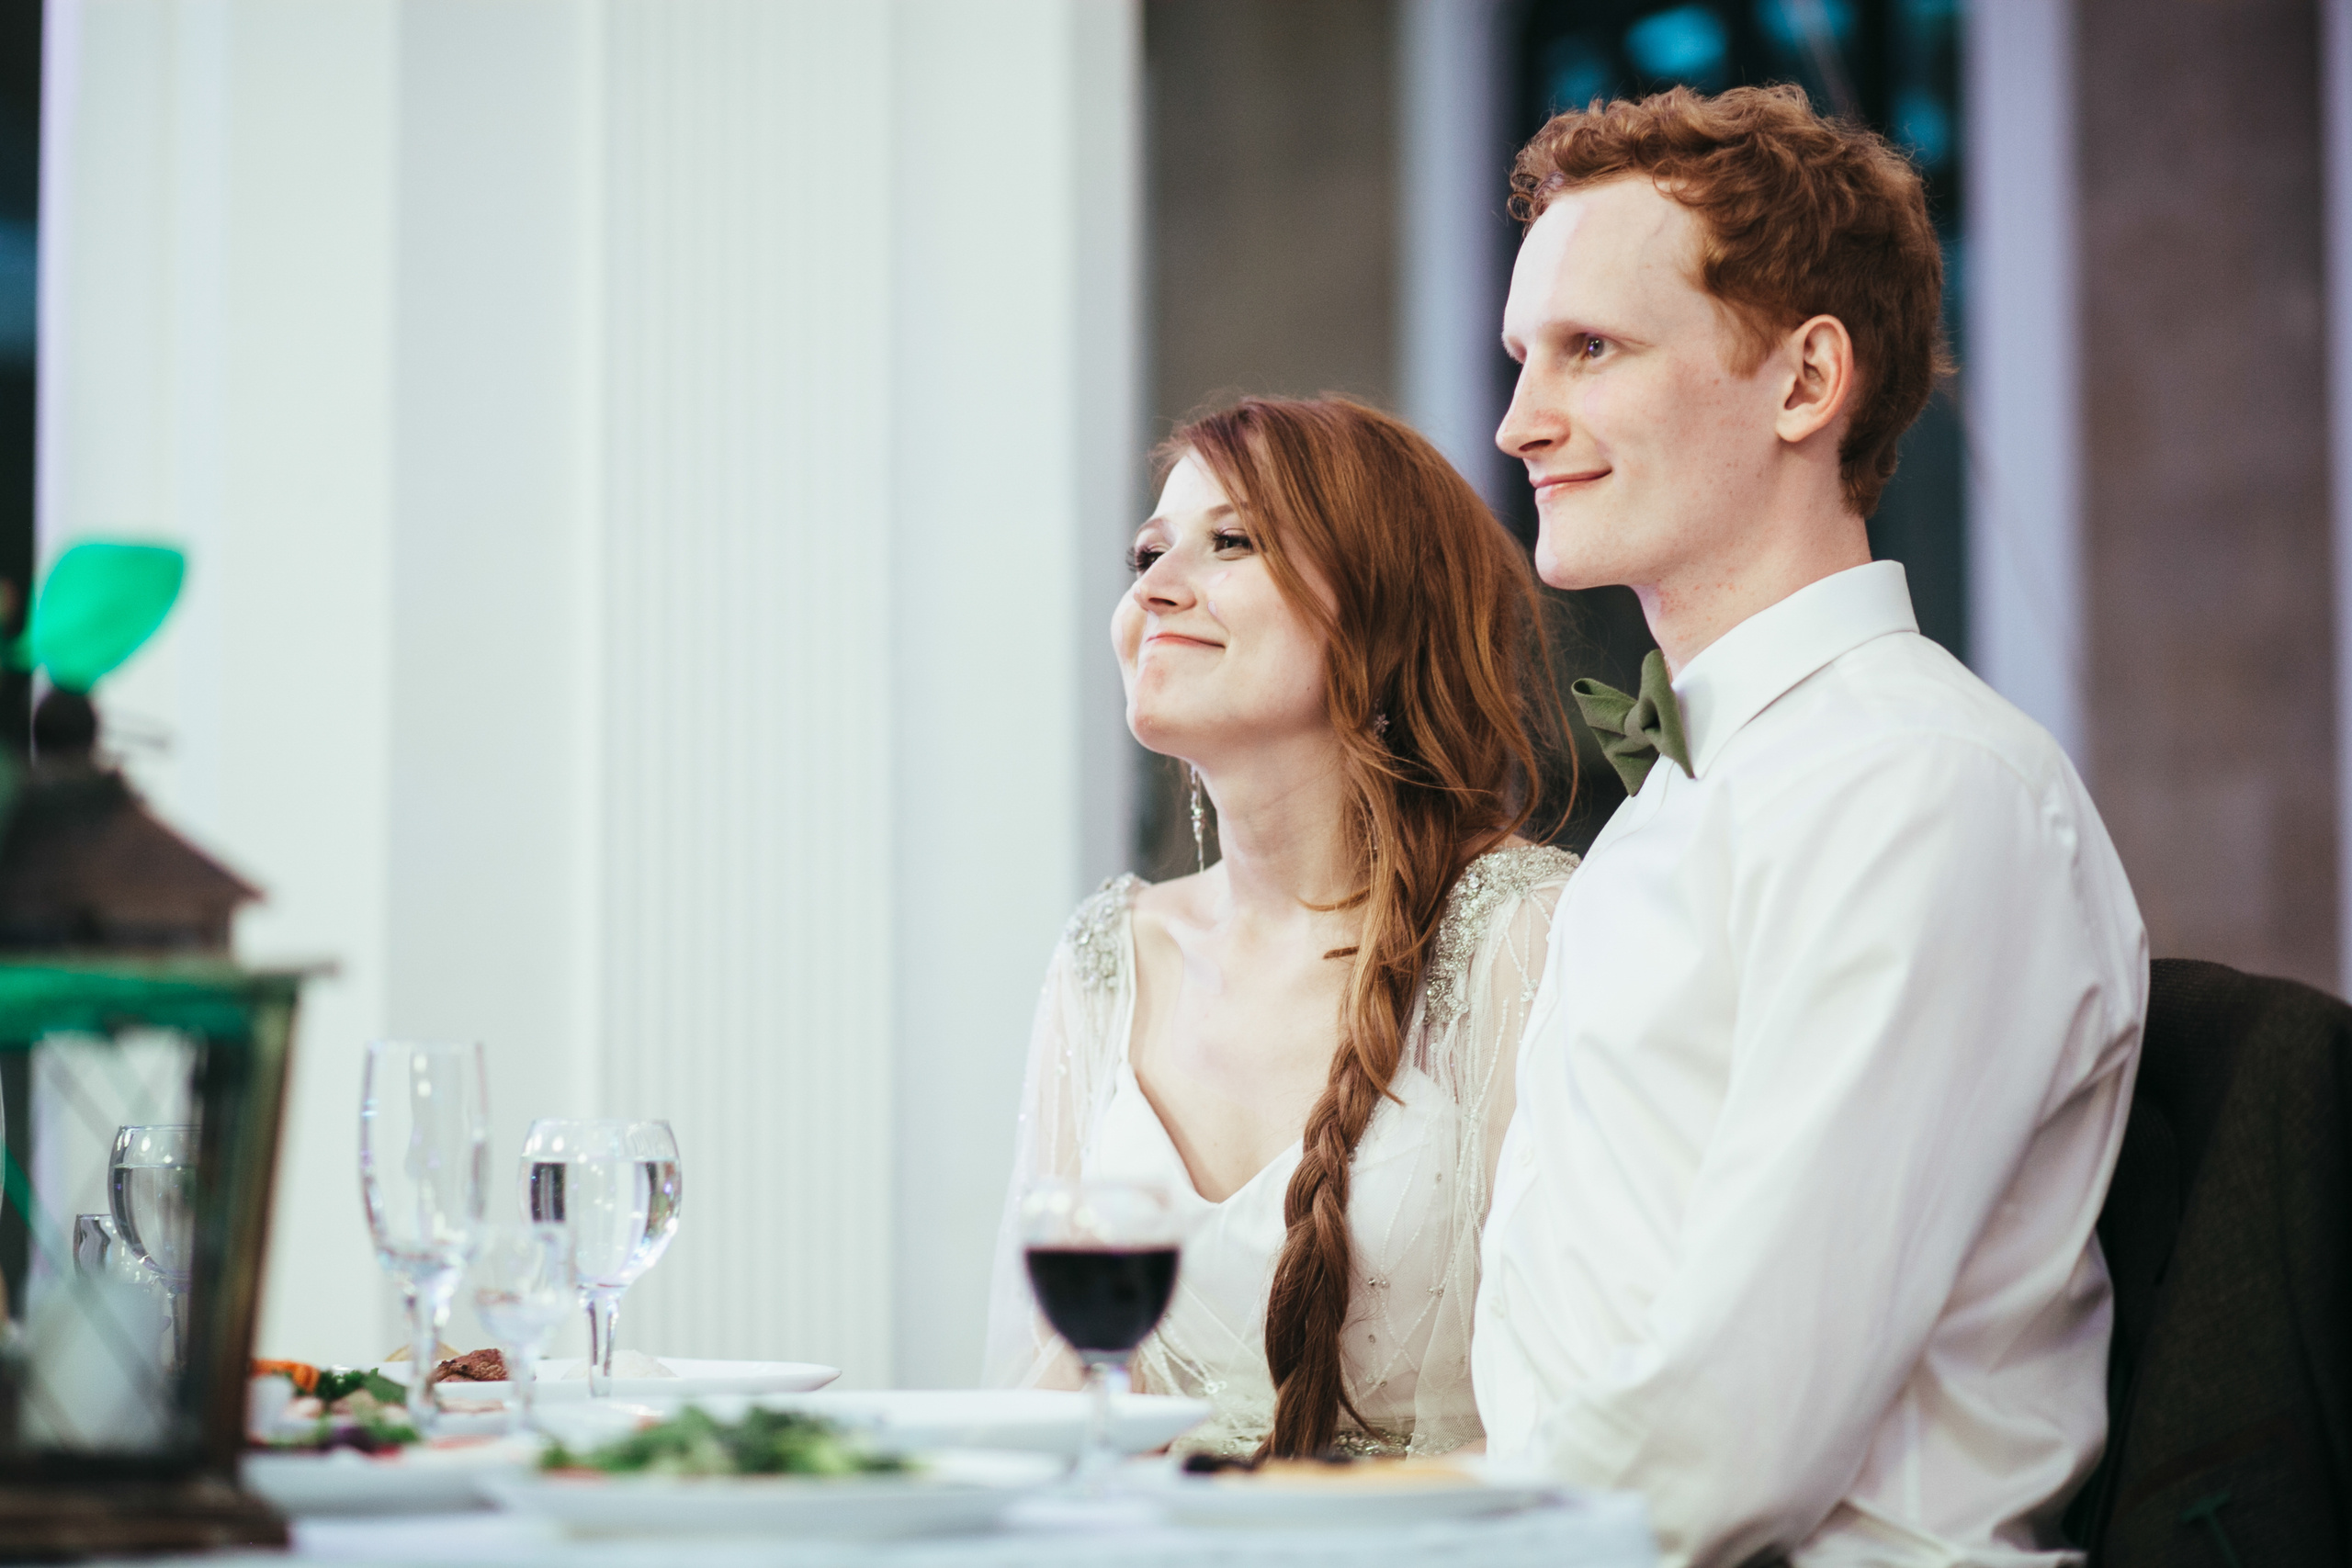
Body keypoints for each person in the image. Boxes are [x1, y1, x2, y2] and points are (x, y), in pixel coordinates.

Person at [1473, 85, 2148, 1567]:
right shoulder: (1689, 790)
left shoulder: (1925, 791)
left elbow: (1728, 1444)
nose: (1521, 420)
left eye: (1592, 348)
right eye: (1525, 356)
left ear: (1803, 382)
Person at [984, 397, 1577, 1459]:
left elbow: (1577, 1408)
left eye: (1231, 543)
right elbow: (1048, 1393)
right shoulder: (1105, 963)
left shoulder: (1521, 936)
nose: (1154, 589)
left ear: (1380, 607)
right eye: (1148, 552)